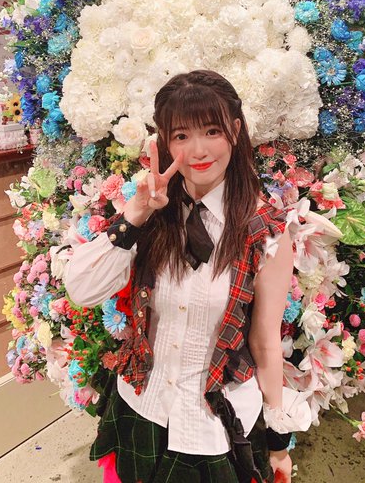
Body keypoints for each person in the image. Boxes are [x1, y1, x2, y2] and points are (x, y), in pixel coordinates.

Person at [65, 70, 296, 483]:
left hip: (211, 428)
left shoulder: (266, 230)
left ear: (235, 131)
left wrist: (278, 439)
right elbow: (81, 290)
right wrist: (136, 214)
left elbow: (265, 341)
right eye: (181, 136)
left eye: (212, 131)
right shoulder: (150, 213)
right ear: (164, 144)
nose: (198, 150)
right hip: (142, 409)